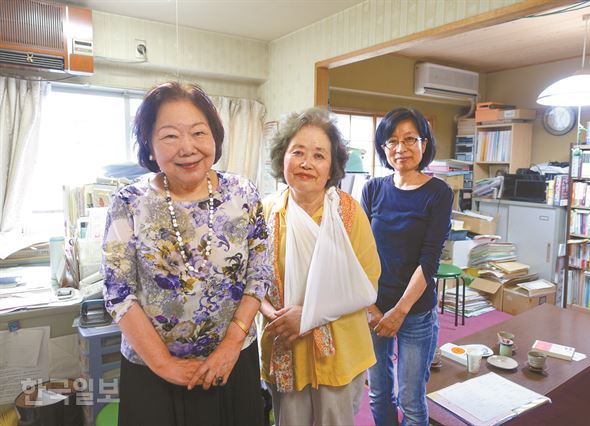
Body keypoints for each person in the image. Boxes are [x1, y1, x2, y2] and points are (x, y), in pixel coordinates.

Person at [102, 81, 271, 426]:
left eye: (198, 132)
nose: (188, 147)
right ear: (149, 145)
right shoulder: (128, 203)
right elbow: (118, 293)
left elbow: (260, 274)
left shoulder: (243, 194)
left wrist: (230, 346)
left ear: (214, 137)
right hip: (152, 371)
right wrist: (165, 364)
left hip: (231, 362)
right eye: (169, 136)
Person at [258, 108, 381, 425]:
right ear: (282, 158)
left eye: (318, 155)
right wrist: (268, 311)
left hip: (337, 350)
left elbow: (366, 285)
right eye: (297, 152)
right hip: (286, 345)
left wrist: (308, 314)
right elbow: (250, 279)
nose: (306, 163)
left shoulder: (349, 214)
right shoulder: (267, 212)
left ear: (331, 167)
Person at [362, 107, 453, 426]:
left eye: (410, 139)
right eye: (392, 141)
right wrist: (372, 308)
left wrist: (399, 311)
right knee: (378, 393)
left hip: (414, 311)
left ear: (424, 144)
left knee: (411, 399)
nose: (401, 148)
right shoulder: (373, 189)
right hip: (373, 309)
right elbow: (360, 253)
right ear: (383, 148)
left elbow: (429, 261)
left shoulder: (439, 193)